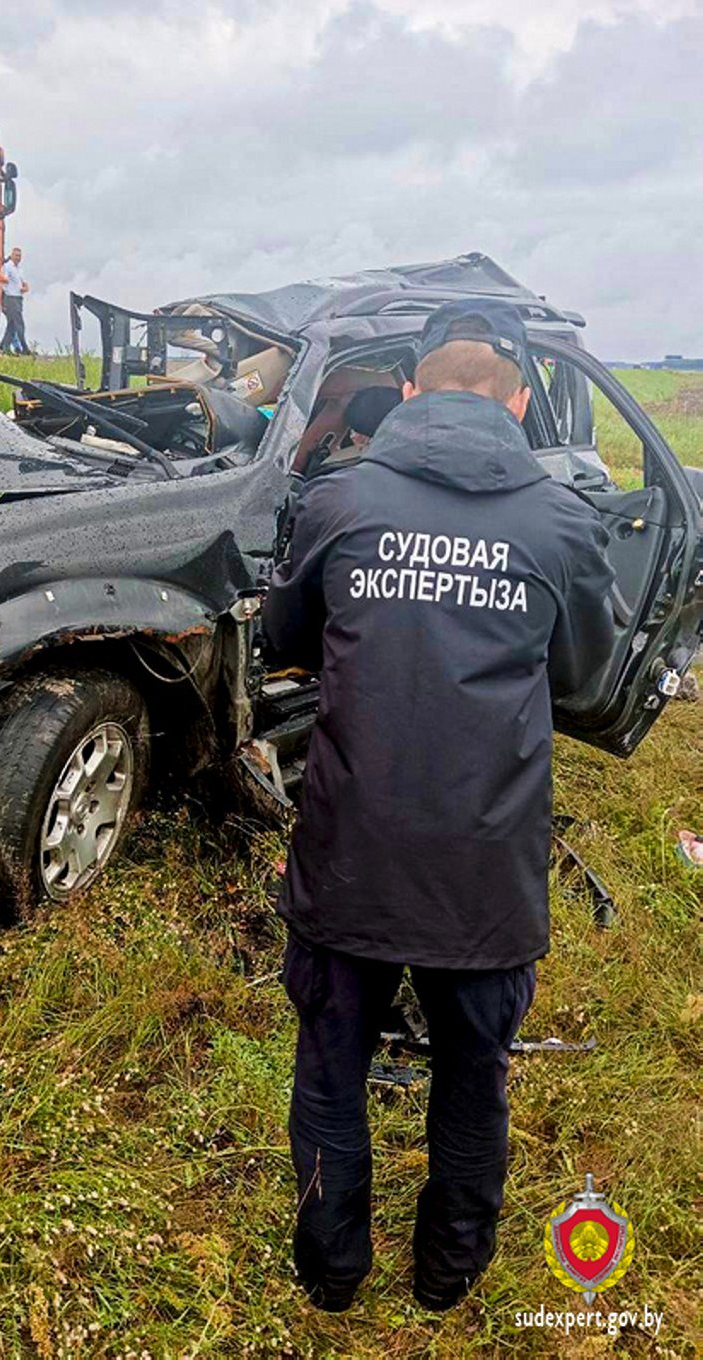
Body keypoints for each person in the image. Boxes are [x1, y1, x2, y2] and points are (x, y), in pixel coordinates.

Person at [262, 299, 616, 1314]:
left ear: (408, 391)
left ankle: (332, 1274)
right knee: (473, 1074)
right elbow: (583, 679)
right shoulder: (559, 521)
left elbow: (286, 631)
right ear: (515, 400)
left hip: (349, 855)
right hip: (484, 867)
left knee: (331, 1070)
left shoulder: (338, 499)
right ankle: (447, 1271)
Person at [0, 246, 31, 355]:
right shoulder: (7, 267)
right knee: (19, 324)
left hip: (18, 298)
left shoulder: (19, 270)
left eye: (20, 256)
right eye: (16, 255)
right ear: (12, 256)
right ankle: (24, 347)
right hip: (10, 297)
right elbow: (2, 282)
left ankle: (4, 346)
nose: (18, 258)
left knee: (12, 325)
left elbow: (24, 283)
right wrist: (0, 300)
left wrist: (25, 288)